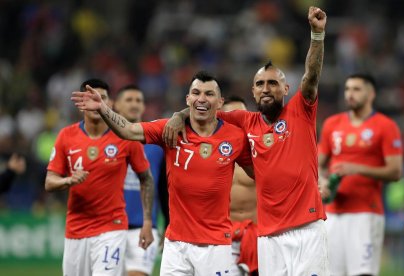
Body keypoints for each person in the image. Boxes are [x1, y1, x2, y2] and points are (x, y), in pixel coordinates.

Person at [163, 6, 329, 275]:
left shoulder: (300, 110)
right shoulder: (244, 121)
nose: (266, 89)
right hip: (268, 235)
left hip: (307, 226)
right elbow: (204, 107)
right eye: (260, 84)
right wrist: (178, 115)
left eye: (273, 83)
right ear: (252, 91)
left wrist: (317, 35)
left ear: (286, 89)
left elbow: (311, 77)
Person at [71, 71, 253, 276]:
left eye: (209, 94)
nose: (201, 98)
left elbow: (259, 174)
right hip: (176, 245)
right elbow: (128, 130)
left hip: (217, 245)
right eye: (196, 93)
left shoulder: (235, 137)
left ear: (219, 102)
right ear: (188, 99)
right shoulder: (169, 130)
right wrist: (103, 109)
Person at [45, 79, 154, 276]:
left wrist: (148, 221)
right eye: (90, 97)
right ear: (80, 105)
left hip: (112, 228)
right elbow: (50, 181)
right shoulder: (66, 136)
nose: (96, 102)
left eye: (101, 98)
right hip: (76, 229)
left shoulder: (125, 136)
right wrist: (67, 181)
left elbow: (146, 177)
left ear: (109, 104)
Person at [318, 73, 403, 276]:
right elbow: (318, 165)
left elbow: (396, 171)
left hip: (366, 212)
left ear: (371, 94)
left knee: (362, 273)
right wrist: (323, 182)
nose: (350, 94)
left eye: (356, 89)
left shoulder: (385, 126)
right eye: (347, 89)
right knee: (332, 272)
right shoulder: (332, 124)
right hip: (332, 213)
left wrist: (358, 168)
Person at [114, 84, 167, 276]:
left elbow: (163, 187)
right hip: (109, 227)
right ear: (116, 105)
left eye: (138, 100)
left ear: (144, 107)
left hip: (143, 227)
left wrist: (167, 221)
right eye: (129, 100)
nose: (134, 104)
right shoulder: (106, 141)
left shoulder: (156, 144)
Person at [222, 96, 258, 276]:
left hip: (257, 235)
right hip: (223, 237)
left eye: (241, 116)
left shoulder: (260, 152)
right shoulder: (212, 154)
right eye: (231, 116)